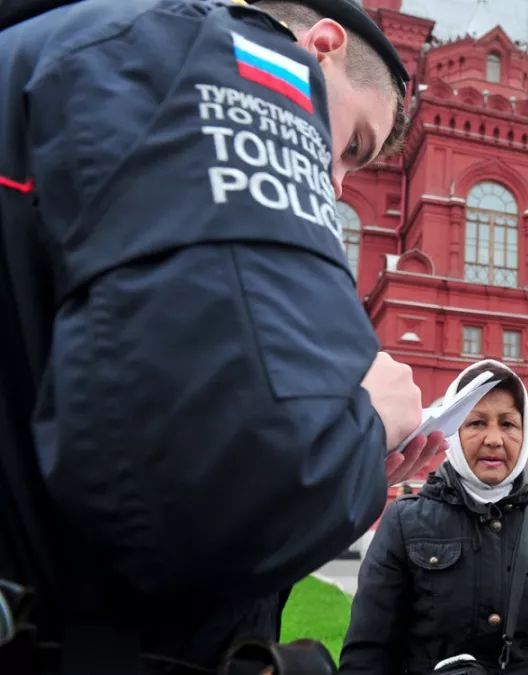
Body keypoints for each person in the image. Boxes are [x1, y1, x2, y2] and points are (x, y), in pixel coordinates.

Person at [0, 0, 446, 672]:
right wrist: (362, 423)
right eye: (352, 142)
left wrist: (345, 454)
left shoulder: (52, 53)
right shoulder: (230, 61)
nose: (333, 180)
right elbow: (202, 493)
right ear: (319, 46)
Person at [339, 360, 528, 675]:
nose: (494, 439)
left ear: (525, 431)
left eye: (507, 424)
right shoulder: (405, 523)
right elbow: (368, 653)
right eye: (476, 423)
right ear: (453, 432)